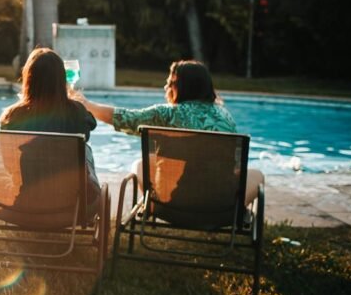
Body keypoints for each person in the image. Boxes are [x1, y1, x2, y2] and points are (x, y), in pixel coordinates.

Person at [73, 59, 264, 203]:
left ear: (183, 87)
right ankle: (229, 210)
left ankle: (154, 205)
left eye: (171, 83)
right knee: (257, 175)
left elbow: (126, 118)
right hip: (220, 205)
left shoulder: (167, 115)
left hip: (173, 203)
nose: (166, 87)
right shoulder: (225, 117)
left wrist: (87, 105)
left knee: (140, 165)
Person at [0, 48, 102, 221]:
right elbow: (90, 124)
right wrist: (73, 99)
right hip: (71, 206)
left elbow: (10, 167)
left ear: (28, 79)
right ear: (61, 79)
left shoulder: (11, 117)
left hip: (25, 203)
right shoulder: (76, 112)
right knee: (85, 149)